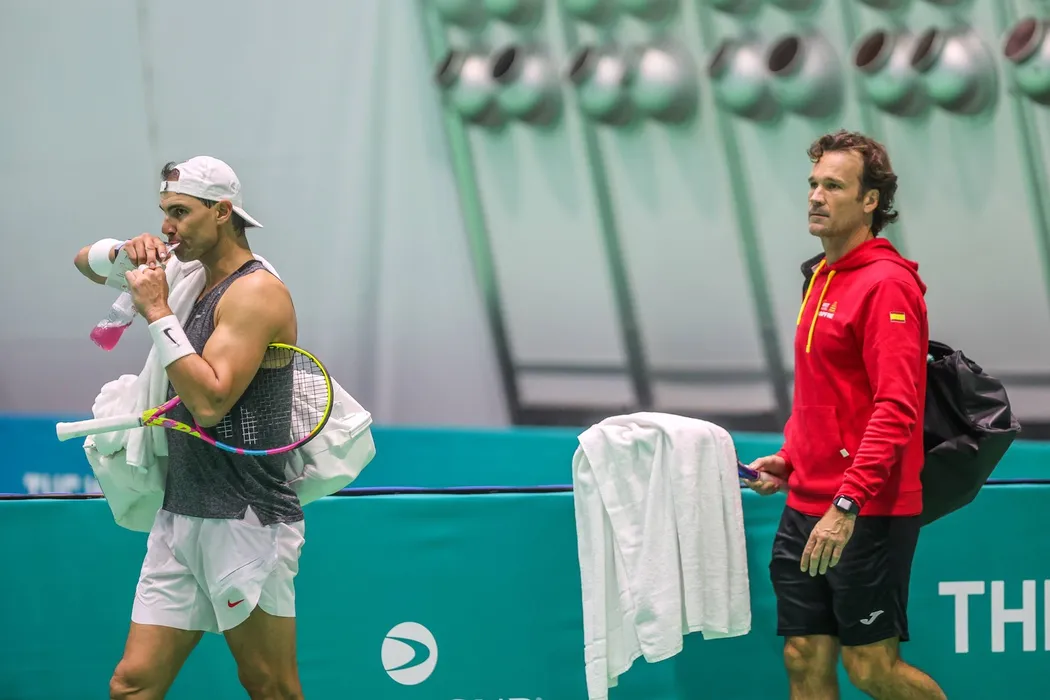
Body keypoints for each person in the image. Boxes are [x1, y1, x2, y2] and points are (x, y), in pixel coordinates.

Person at [73, 156, 306, 700]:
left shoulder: (256, 293)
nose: (167, 226)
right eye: (163, 212)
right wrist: (123, 251)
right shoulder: (185, 271)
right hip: (180, 514)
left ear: (222, 212)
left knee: (270, 686)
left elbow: (208, 402)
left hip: (245, 518)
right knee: (132, 684)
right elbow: (83, 262)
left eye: (180, 212)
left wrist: (157, 310)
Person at [743, 130, 946, 700]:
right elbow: (821, 390)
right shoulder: (818, 277)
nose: (815, 196)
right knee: (802, 656)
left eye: (833, 186)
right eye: (813, 184)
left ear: (870, 200)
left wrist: (848, 502)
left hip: (864, 509)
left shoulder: (888, 286)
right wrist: (790, 457)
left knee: (871, 669)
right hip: (806, 501)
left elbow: (897, 407)